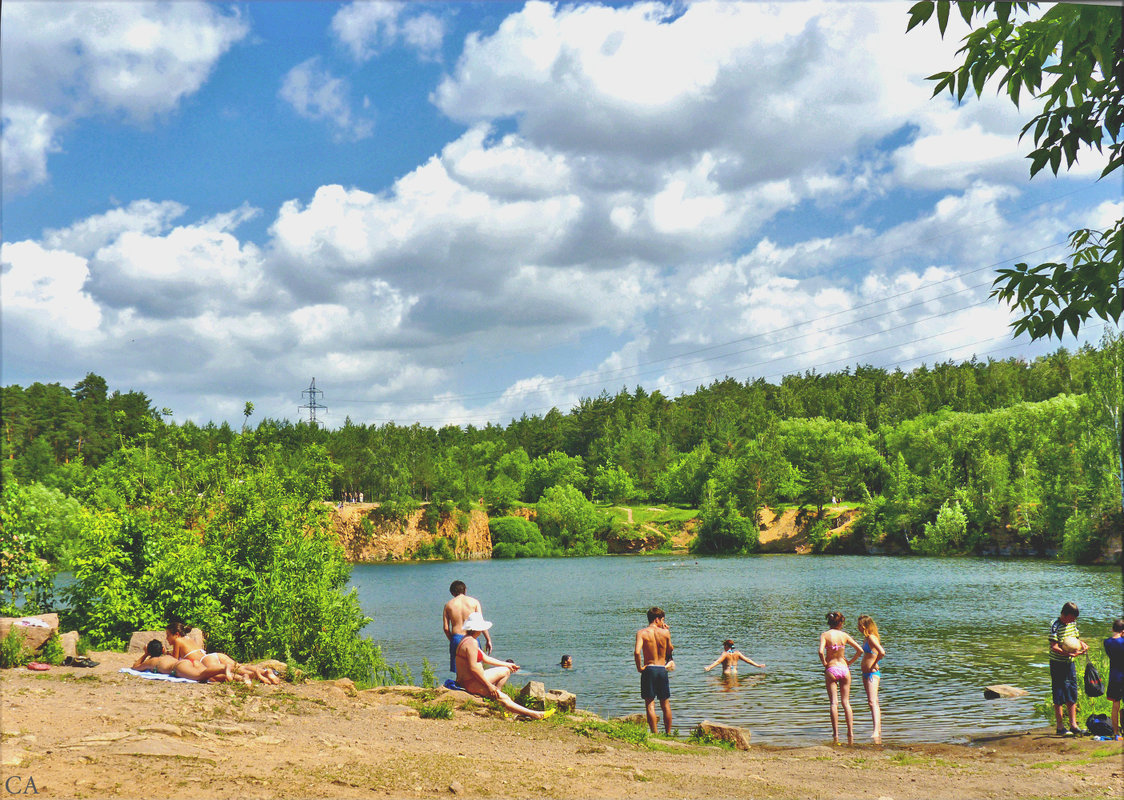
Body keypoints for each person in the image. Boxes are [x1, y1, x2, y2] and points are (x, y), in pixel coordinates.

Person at [454, 612, 553, 720]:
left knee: (506, 671)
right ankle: (536, 715)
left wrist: (508, 665)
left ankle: (495, 697)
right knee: (504, 697)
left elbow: (485, 658)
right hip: (470, 682)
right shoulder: (471, 642)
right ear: (478, 628)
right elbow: (473, 668)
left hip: (473, 679)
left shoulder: (468, 639)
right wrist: (489, 686)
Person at [166, 621, 280, 685]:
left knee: (224, 674)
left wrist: (165, 654)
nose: (167, 639)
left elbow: (175, 661)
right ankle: (265, 672)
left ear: (176, 634)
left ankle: (259, 676)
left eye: (168, 635)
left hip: (204, 661)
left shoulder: (177, 641)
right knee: (239, 667)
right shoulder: (188, 639)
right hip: (214, 655)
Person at [819, 611, 862, 745]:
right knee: (846, 703)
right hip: (844, 669)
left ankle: (836, 734)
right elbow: (860, 650)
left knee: (833, 703)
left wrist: (825, 664)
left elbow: (820, 651)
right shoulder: (844, 635)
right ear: (840, 623)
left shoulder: (825, 635)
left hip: (831, 668)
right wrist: (850, 662)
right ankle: (850, 733)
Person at [1049, 601, 1089, 736]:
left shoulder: (1072, 624)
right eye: (1072, 617)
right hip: (1057, 664)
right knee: (1059, 693)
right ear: (1065, 615)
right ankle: (1060, 727)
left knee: (1072, 691)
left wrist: (1083, 645)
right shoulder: (1055, 625)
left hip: (1069, 663)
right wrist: (1068, 653)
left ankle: (1073, 725)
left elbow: (1076, 639)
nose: (1073, 620)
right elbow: (1054, 646)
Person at [634, 607, 673, 735]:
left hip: (649, 669)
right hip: (662, 669)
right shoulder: (665, 633)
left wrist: (639, 667)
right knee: (665, 703)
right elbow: (670, 650)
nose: (663, 623)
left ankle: (655, 734)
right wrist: (666, 631)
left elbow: (637, 652)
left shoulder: (641, 633)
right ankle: (668, 734)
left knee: (650, 704)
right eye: (662, 620)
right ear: (657, 619)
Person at [443, 580, 492, 673]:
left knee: (459, 669)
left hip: (456, 637)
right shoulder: (474, 602)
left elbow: (446, 628)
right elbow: (480, 622)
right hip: (472, 637)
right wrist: (488, 639)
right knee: (476, 666)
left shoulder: (448, 605)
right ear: (465, 590)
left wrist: (453, 640)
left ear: (452, 593)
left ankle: (459, 685)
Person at [132, 638, 231, 683]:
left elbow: (135, 667)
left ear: (150, 652)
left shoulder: (151, 661)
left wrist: (145, 654)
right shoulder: (167, 656)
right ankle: (239, 678)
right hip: (189, 662)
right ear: (162, 649)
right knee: (211, 677)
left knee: (200, 675)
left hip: (179, 667)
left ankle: (224, 668)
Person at [857, 614, 887, 744]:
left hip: (872, 674)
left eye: (858, 625)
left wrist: (875, 663)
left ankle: (876, 731)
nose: (857, 627)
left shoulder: (871, 638)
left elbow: (882, 652)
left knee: (872, 702)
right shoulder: (866, 639)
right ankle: (877, 729)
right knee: (873, 702)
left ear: (863, 626)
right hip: (866, 673)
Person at [1103, 618, 1124, 740]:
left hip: (1114, 677)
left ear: (1112, 629)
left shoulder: (1107, 642)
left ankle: (1116, 732)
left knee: (1115, 705)